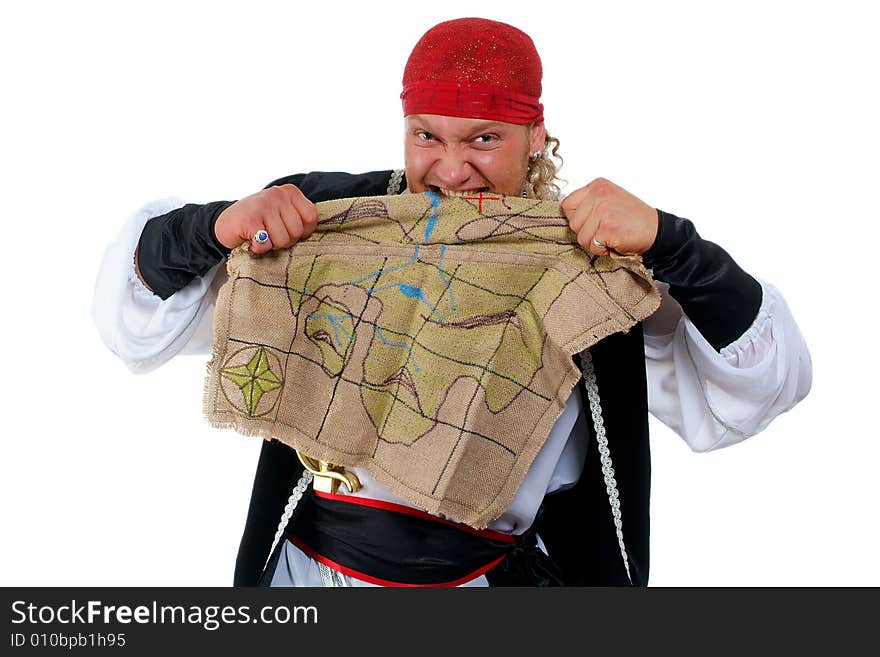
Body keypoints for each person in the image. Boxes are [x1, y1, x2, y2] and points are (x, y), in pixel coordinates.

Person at [92, 17, 812, 587]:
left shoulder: (589, 264)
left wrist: (675, 246)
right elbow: (133, 326)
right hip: (305, 578)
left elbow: (760, 387)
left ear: (535, 137)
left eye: (484, 139)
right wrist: (214, 227)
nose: (450, 167)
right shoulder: (329, 221)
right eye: (426, 135)